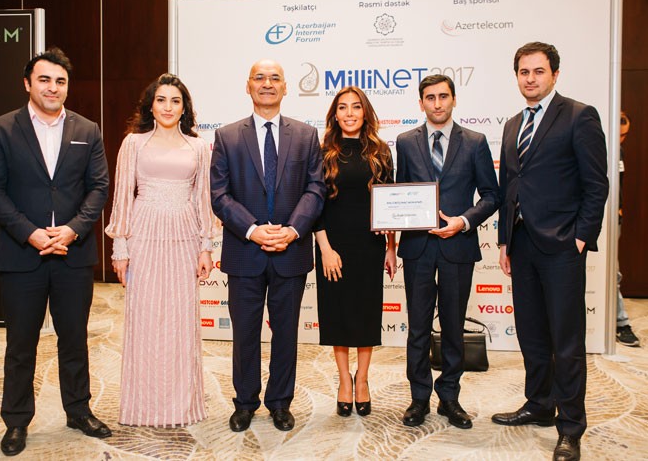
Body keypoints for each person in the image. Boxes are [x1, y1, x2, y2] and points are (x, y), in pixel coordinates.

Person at [0, 47, 110, 457]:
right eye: (44, 80)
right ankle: (16, 421)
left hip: (73, 254)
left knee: (74, 340)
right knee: (21, 344)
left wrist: (72, 230)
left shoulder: (88, 129)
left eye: (60, 81)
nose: (53, 88)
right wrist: (30, 233)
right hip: (23, 256)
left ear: (67, 87)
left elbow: (99, 187)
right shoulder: (1, 129)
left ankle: (78, 411)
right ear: (27, 83)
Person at [494, 42, 609, 461]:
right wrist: (505, 241)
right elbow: (509, 187)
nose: (531, 79)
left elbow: (596, 185)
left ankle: (571, 427)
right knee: (532, 334)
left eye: (538, 71)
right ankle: (539, 404)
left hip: (562, 246)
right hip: (522, 244)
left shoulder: (579, 116)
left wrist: (580, 237)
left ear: (555, 75)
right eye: (524, 72)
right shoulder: (512, 124)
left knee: (566, 340)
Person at [210, 59, 325, 432]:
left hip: (290, 251)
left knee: (286, 333)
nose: (267, 83)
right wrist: (253, 230)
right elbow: (219, 195)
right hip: (244, 251)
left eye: (275, 78)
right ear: (248, 86)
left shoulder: (306, 135)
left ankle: (280, 402)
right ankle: (244, 403)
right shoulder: (227, 136)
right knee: (244, 333)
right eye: (259, 77)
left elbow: (315, 188)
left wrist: (293, 230)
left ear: (285, 87)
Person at [105, 73, 215, 427]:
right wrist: (120, 248)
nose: (168, 107)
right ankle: (142, 407)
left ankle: (181, 406)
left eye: (175, 101)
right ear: (150, 106)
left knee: (181, 322)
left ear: (184, 108)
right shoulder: (133, 143)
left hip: (184, 238)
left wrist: (206, 247)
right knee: (145, 320)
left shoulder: (197, 146)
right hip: (143, 236)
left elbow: (203, 200)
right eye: (161, 100)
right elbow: (122, 197)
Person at [396, 74, 499, 430]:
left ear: (454, 99)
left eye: (443, 96)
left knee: (453, 326)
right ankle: (419, 397)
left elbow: (491, 195)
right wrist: (394, 218)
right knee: (418, 327)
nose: (437, 103)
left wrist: (464, 221)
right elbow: (400, 192)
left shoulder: (475, 142)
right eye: (430, 97)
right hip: (418, 247)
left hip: (458, 245)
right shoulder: (405, 142)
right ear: (420, 102)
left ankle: (450, 397)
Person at [314, 86, 397, 417]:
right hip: (333, 245)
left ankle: (362, 379)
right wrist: (325, 248)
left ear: (365, 112)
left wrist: (391, 248)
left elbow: (389, 203)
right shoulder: (322, 153)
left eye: (356, 107)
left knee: (365, 314)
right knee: (337, 314)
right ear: (335, 114)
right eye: (343, 107)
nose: (349, 113)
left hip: (369, 246)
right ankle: (344, 380)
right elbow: (315, 205)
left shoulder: (381, 152)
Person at [616, 111, 640, 346]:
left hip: (615, 220)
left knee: (614, 274)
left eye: (624, 136)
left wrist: (619, 209)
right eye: (618, 135)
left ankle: (620, 322)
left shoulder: (619, 151)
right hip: (589, 221)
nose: (620, 140)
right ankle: (620, 322)